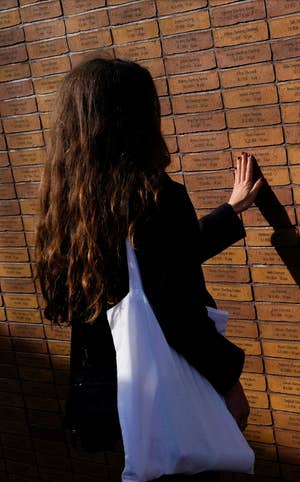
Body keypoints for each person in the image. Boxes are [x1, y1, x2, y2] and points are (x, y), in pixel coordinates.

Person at [34, 58, 263, 481]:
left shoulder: (70, 206)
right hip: (168, 387)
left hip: (110, 392)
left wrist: (230, 212)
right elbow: (177, 308)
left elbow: (156, 264)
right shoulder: (155, 197)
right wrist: (229, 382)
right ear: (136, 120)